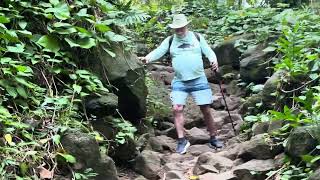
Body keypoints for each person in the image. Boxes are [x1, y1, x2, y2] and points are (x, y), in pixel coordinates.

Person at [139, 14, 224, 154]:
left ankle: (213, 137)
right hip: (179, 81)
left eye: (181, 28)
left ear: (186, 25)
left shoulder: (197, 37)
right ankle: (181, 140)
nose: (179, 31)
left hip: (199, 79)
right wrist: (147, 58)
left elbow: (209, 51)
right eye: (176, 28)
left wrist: (214, 60)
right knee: (177, 109)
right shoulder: (170, 40)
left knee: (206, 109)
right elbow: (159, 51)